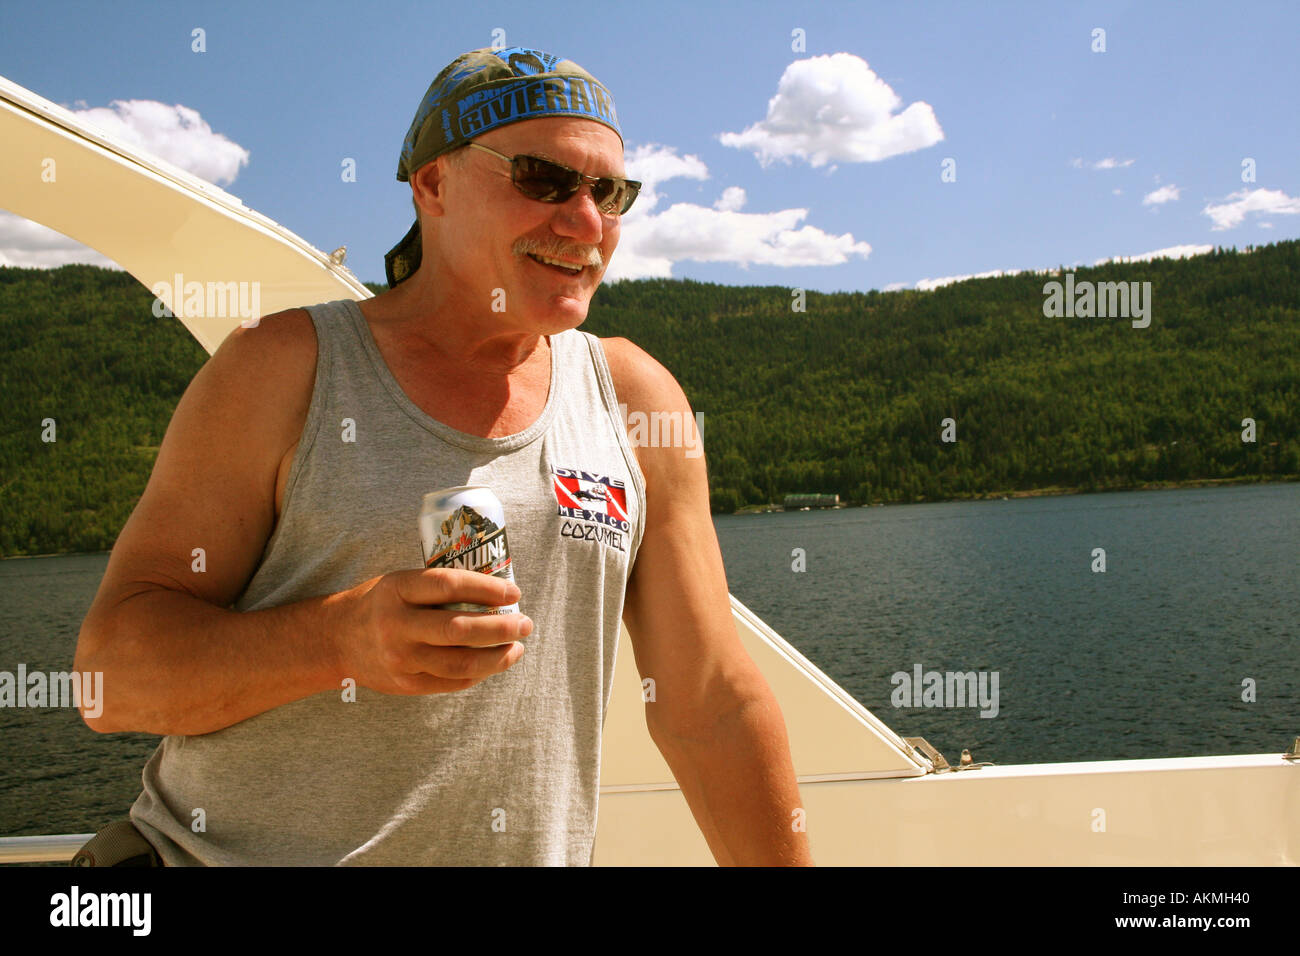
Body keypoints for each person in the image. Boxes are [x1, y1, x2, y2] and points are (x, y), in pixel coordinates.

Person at [73, 46, 812, 866]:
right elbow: (110, 677)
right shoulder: (283, 369)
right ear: (432, 185)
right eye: (544, 180)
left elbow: (708, 702)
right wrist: (340, 640)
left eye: (610, 192)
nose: (587, 222)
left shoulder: (634, 400)